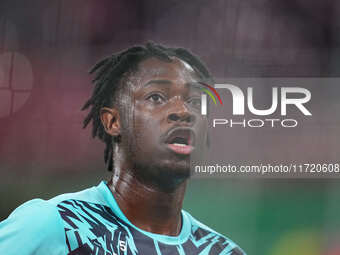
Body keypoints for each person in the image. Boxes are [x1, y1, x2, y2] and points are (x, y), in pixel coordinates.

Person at [0, 42, 246, 254]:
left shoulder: (222, 251)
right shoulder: (56, 225)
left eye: (194, 101)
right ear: (113, 122)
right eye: (156, 97)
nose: (183, 112)